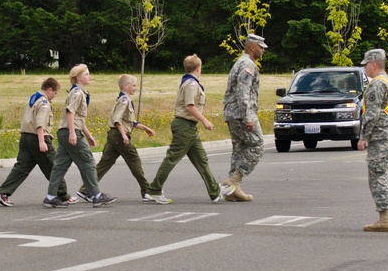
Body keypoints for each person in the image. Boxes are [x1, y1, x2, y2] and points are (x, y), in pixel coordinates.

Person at [144, 54, 235, 204]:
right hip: (184, 125)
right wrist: (205, 120)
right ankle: (154, 190)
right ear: (199, 68)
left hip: (189, 127)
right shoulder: (191, 84)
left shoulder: (189, 82)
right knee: (172, 159)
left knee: (202, 160)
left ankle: (214, 192)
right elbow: (189, 105)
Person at [0, 77, 77, 207]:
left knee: (22, 167)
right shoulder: (44, 102)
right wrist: (42, 141)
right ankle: (63, 195)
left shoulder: (33, 97)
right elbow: (39, 123)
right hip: (37, 138)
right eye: (55, 93)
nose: (55, 96)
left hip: (26, 137)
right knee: (54, 166)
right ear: (49, 90)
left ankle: (3, 192)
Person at [42, 64, 116, 208]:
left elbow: (78, 118)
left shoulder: (79, 92)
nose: (90, 76)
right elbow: (70, 113)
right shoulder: (77, 93)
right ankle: (96, 195)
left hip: (66, 131)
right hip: (70, 132)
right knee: (87, 162)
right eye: (86, 74)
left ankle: (50, 196)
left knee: (60, 166)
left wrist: (88, 135)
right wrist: (72, 133)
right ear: (78, 77)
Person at [76, 74, 156, 202]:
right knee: (134, 161)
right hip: (119, 136)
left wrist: (145, 128)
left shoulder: (122, 99)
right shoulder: (125, 100)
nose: (135, 88)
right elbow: (117, 120)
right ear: (125, 85)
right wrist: (124, 136)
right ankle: (147, 191)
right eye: (133, 85)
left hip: (113, 136)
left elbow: (128, 121)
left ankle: (86, 189)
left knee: (105, 163)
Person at [359, 48, 388, 232]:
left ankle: (384, 218)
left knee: (378, 176)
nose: (364, 69)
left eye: (366, 65)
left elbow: (372, 114)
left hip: (381, 135)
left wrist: (363, 137)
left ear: (373, 64)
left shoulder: (376, 84)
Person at [221, 33, 267, 201]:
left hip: (233, 113)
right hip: (241, 113)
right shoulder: (248, 64)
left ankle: (232, 190)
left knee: (239, 148)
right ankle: (234, 180)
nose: (263, 50)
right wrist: (248, 117)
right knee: (258, 144)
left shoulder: (241, 62)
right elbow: (243, 91)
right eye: (261, 47)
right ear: (252, 47)